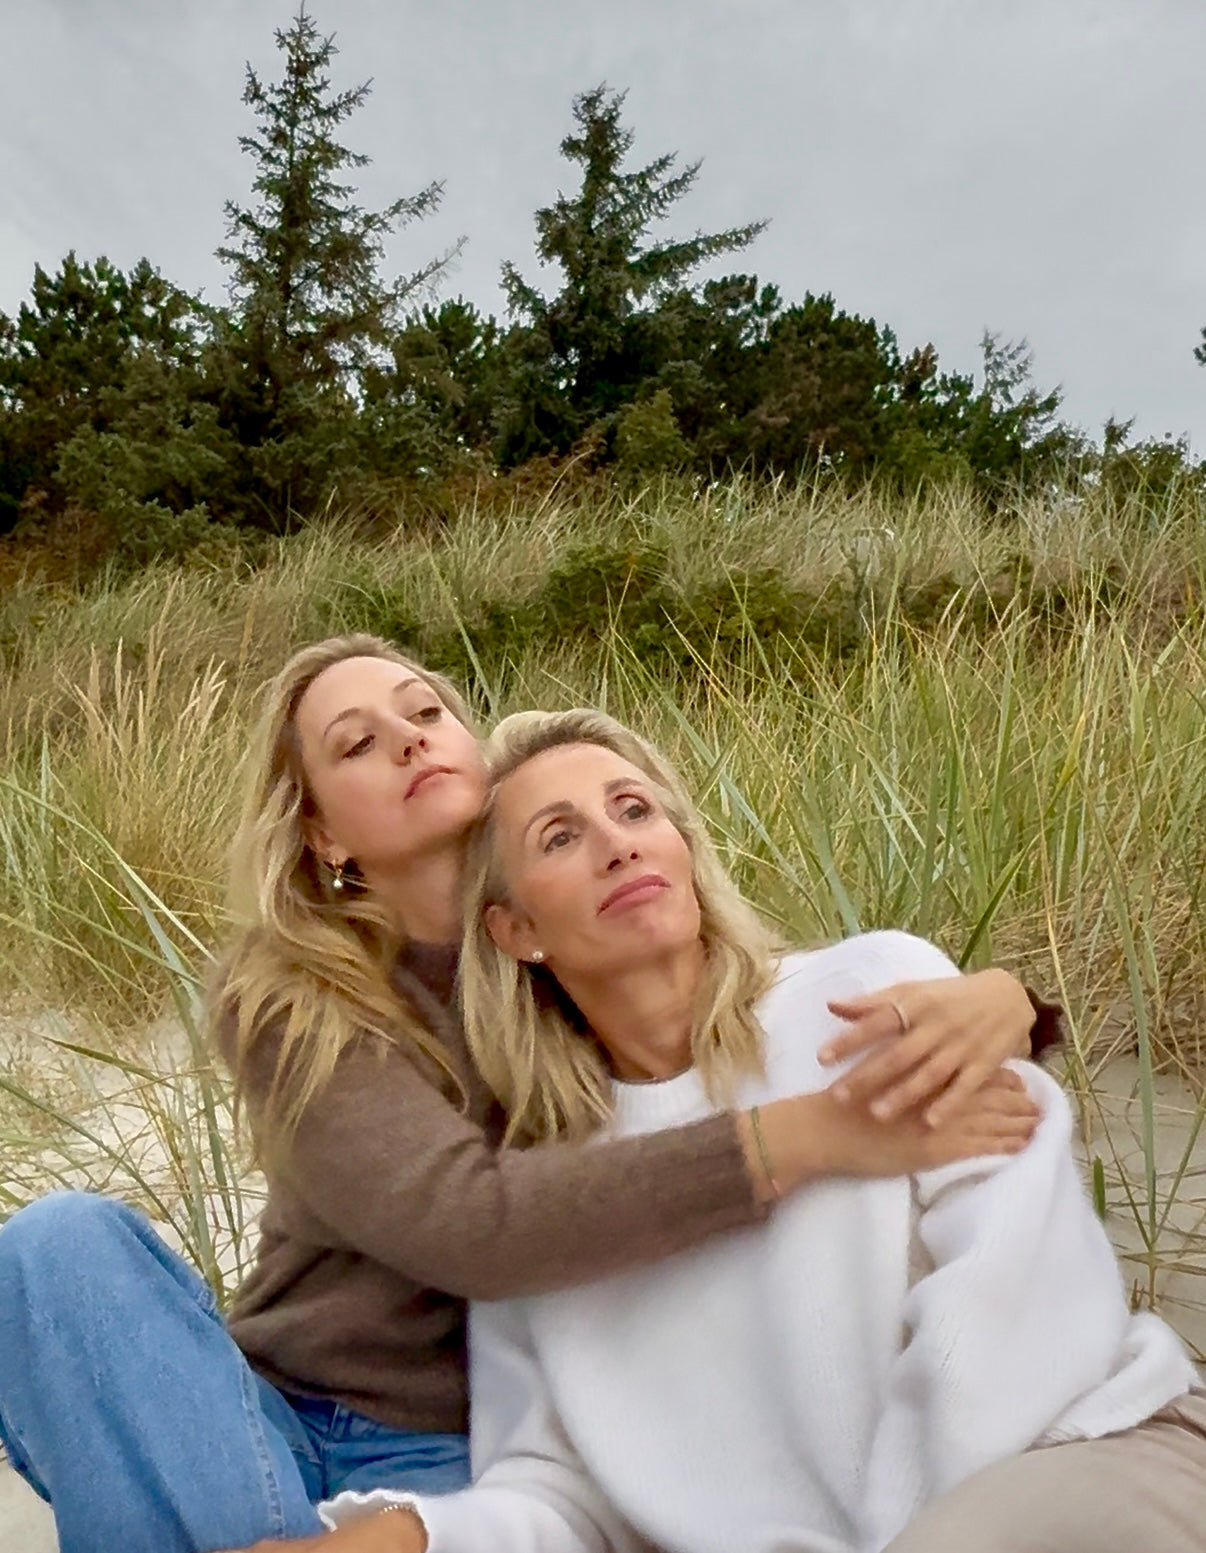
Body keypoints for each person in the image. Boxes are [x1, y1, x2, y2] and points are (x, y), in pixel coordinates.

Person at [0, 638, 1048, 1553]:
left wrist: (1011, 1002)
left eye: (426, 711)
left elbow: (772, 997)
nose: (409, 740)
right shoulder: (296, 995)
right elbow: (469, 1223)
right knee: (57, 1244)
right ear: (322, 833)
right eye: (358, 743)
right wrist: (800, 1137)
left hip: (469, 1457)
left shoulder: (575, 923)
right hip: (264, 1413)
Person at [306, 707, 1204, 1553]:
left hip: (1087, 1452)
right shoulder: (549, 1194)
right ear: (515, 929)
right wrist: (409, 1534)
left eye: (634, 809)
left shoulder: (870, 995)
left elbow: (1010, 1314)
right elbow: (557, 1490)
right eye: (561, 836)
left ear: (683, 848)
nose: (618, 844)